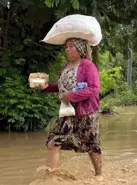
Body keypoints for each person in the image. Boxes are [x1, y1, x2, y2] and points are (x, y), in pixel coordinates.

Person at [38, 38, 103, 179]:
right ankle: (51, 178)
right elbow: (62, 88)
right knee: (53, 141)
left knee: (91, 144)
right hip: (66, 111)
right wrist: (47, 87)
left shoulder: (88, 66)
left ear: (80, 49)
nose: (67, 49)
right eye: (66, 46)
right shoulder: (66, 66)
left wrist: (72, 96)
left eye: (71, 46)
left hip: (86, 112)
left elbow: (94, 88)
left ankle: (99, 174)